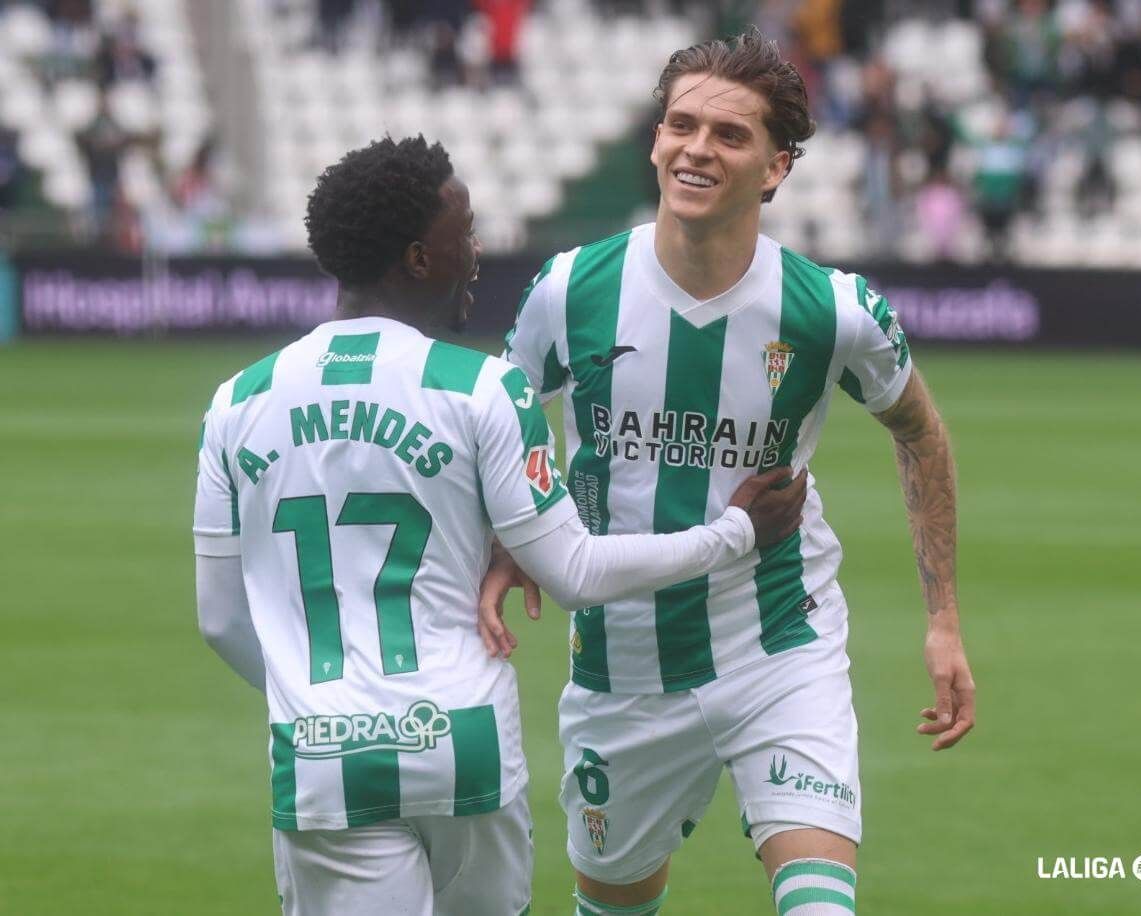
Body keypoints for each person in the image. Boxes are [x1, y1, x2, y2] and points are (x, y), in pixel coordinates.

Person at [192, 135, 807, 916]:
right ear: (418, 258)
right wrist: (735, 533)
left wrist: (318, 694)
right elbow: (573, 573)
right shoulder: (482, 389)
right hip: (464, 744)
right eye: (465, 233)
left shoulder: (236, 403)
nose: (477, 253)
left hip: (323, 755)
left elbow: (219, 620)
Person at [491, 30, 974, 916]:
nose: (696, 148)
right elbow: (501, 429)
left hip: (779, 643)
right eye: (681, 125)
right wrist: (505, 546)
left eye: (730, 135)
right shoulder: (570, 291)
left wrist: (942, 621)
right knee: (614, 905)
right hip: (622, 661)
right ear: (655, 139)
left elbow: (922, 434)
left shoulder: (833, 310)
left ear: (777, 167)